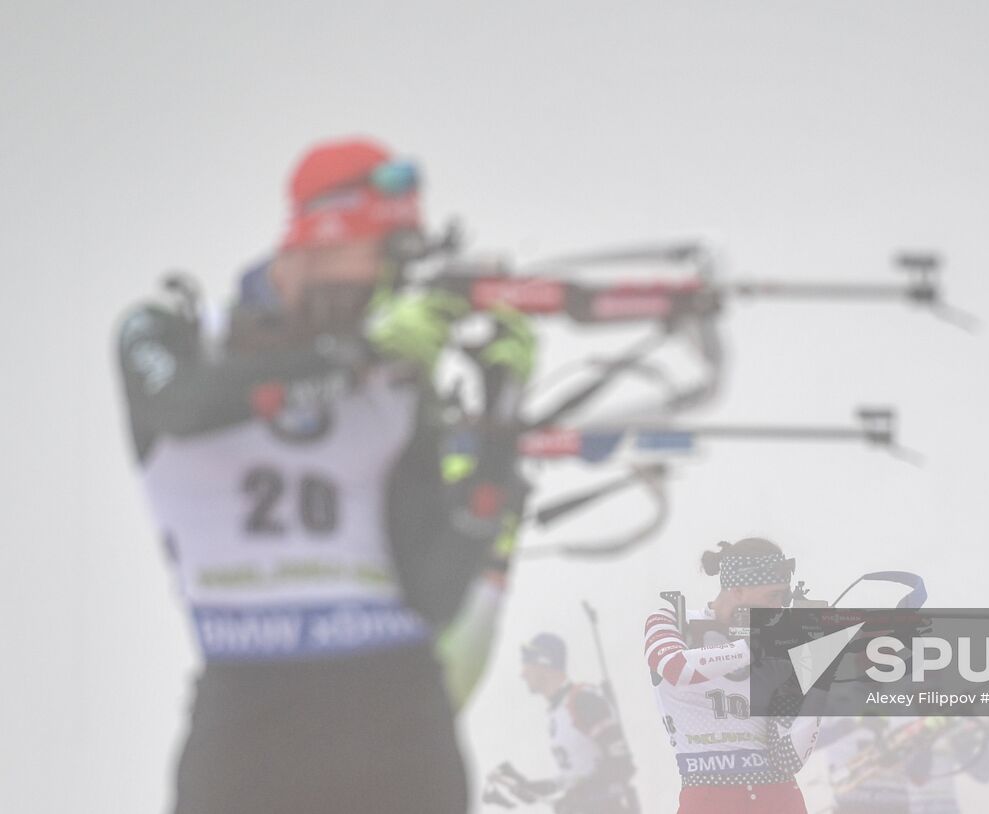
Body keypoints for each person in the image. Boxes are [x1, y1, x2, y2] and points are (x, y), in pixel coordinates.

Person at [115, 137, 530, 814]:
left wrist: (499, 437)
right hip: (249, 728)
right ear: (315, 245)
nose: (383, 290)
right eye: (378, 258)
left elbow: (434, 594)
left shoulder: (395, 376)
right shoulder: (181, 334)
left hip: (397, 725)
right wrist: (347, 358)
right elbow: (182, 407)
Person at [644, 538, 823, 814]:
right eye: (771, 597)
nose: (779, 607)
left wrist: (817, 674)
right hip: (706, 798)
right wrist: (758, 645)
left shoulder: (782, 637)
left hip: (779, 797)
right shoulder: (670, 618)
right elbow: (674, 667)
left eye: (783, 598)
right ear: (737, 590)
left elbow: (790, 758)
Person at [485, 632, 640, 813]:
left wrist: (576, 798)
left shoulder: (583, 699)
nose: (522, 673)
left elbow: (621, 765)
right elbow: (577, 775)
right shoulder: (558, 711)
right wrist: (540, 788)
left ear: (544, 664)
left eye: (527, 664)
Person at [817, 716, 989, 814]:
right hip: (850, 806)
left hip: (897, 807)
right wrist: (849, 725)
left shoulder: (911, 711)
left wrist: (926, 740)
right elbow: (801, 745)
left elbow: (918, 776)